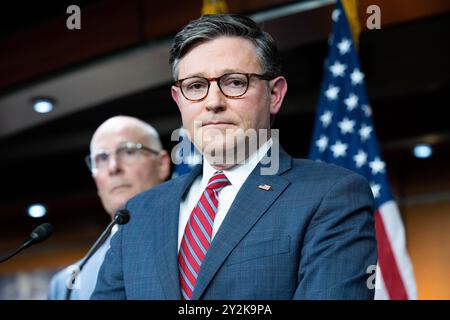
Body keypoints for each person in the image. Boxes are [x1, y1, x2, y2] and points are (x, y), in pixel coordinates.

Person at [91, 14, 377, 300]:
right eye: (196, 86)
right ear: (179, 101)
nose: (213, 102)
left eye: (235, 82)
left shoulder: (332, 195)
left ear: (274, 94)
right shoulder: (137, 214)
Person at [48, 115, 170, 299]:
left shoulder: (199, 244)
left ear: (162, 163)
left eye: (128, 151)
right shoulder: (66, 287)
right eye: (102, 157)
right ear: (96, 180)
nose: (113, 167)